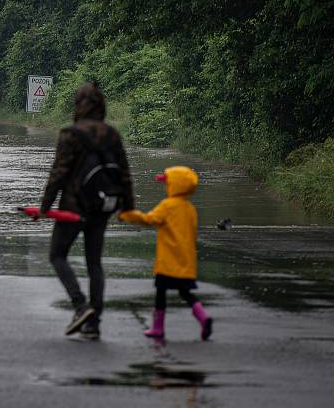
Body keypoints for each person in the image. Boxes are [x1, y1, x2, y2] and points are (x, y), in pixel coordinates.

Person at [40, 83, 134, 339]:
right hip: (102, 207)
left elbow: (59, 173)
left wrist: (44, 206)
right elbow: (124, 173)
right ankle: (94, 323)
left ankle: (80, 305)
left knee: (57, 255)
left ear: (78, 105)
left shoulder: (70, 134)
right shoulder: (112, 134)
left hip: (73, 207)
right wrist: (128, 207)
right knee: (95, 264)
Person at [118, 166, 213, 340]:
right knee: (185, 293)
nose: (165, 186)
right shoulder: (190, 208)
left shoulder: (167, 205)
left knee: (160, 292)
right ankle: (203, 317)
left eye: (167, 183)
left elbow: (149, 219)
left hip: (168, 261)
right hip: (186, 261)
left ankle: (158, 328)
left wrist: (128, 215)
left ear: (174, 186)